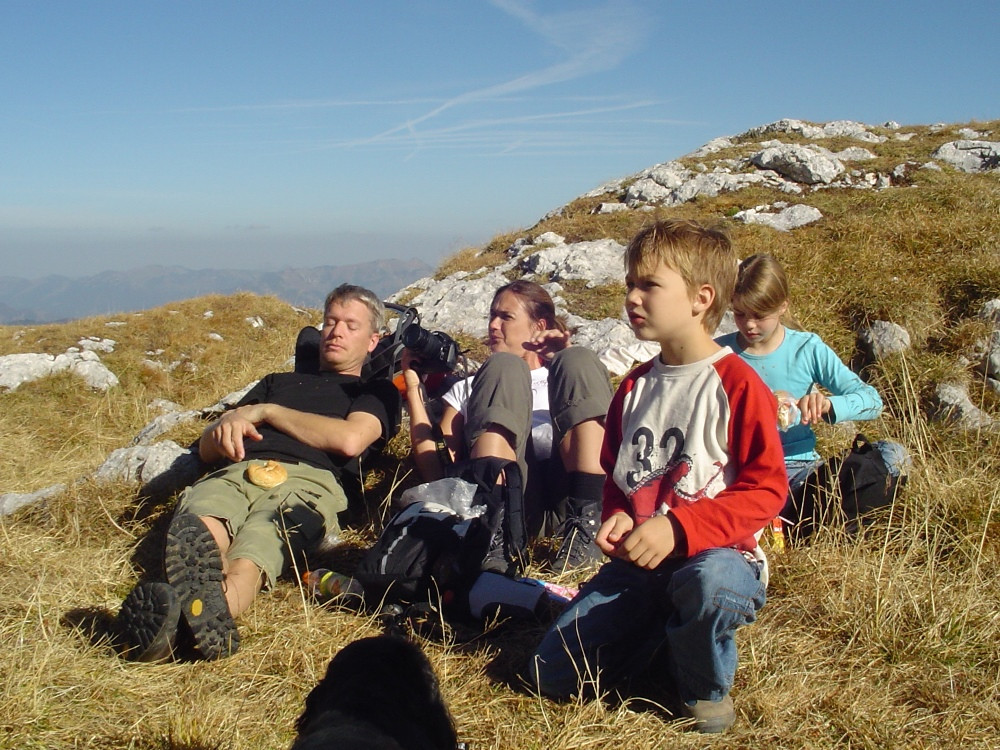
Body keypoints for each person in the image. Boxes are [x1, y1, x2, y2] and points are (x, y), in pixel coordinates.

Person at [528, 219, 788, 733]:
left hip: (721, 556)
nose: (632, 297)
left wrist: (679, 529)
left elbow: (766, 489)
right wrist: (619, 515)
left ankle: (701, 686)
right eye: (630, 284)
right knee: (548, 674)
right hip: (639, 567)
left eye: (649, 285)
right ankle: (661, 637)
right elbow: (617, 478)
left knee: (710, 583)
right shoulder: (634, 388)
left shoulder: (737, 384)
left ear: (700, 298)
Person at [114, 284, 400, 662]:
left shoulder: (375, 391)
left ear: (372, 340)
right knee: (205, 519)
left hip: (310, 482)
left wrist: (267, 413)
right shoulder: (275, 382)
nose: (336, 331)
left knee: (259, 546)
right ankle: (195, 610)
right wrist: (222, 433)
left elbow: (349, 441)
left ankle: (202, 612)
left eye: (351, 325)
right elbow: (207, 447)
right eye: (331, 321)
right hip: (240, 469)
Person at [402, 280, 614, 570]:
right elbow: (438, 469)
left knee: (578, 358)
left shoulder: (564, 373)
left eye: (506, 317)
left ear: (539, 326)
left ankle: (588, 526)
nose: (493, 325)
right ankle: (496, 536)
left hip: (571, 499)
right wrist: (414, 389)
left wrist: (563, 357)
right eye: (492, 315)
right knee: (504, 366)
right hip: (518, 508)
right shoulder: (473, 385)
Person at [715, 253, 908, 536]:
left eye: (759, 315)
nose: (749, 325)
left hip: (799, 470)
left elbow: (872, 400)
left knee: (894, 455)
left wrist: (828, 404)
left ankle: (786, 517)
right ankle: (806, 520)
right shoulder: (719, 353)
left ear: (782, 307)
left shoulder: (807, 348)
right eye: (740, 314)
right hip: (739, 471)